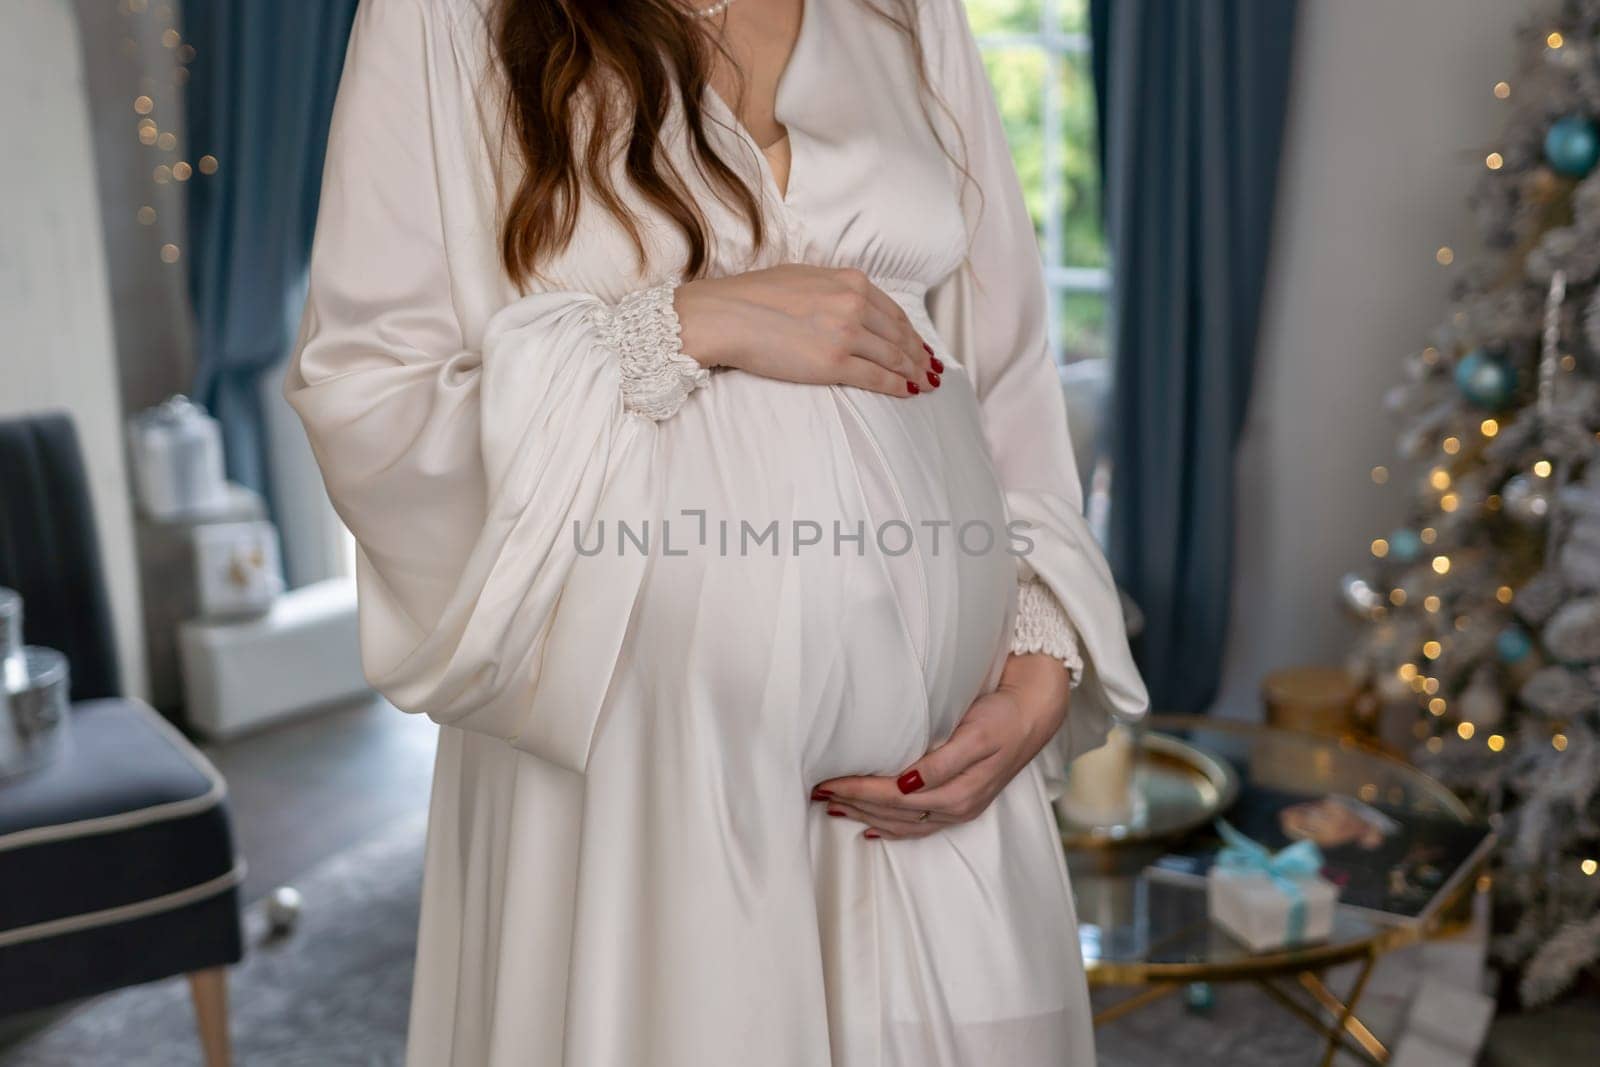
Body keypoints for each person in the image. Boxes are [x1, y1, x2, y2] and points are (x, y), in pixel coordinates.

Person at [284, 0, 1148, 1063]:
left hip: (939, 790)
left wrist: (1037, 650)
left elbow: (1006, 371)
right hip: (636, 783)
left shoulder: (910, 11)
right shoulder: (442, 18)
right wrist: (693, 320)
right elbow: (368, 398)